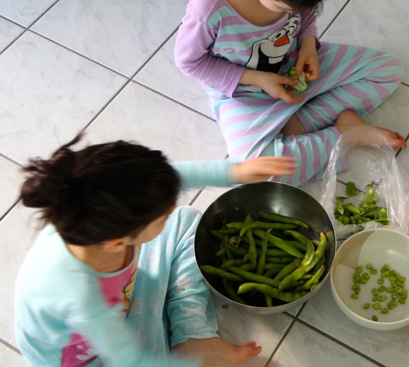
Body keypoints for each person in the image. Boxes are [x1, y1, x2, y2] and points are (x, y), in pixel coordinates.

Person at [14, 133, 296, 366]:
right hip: (92, 355)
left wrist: (235, 172)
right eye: (160, 217)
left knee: (187, 222)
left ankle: (192, 337)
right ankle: (194, 351)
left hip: (117, 303)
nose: (169, 208)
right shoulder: (80, 295)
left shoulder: (92, 218)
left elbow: (168, 179)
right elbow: (133, 359)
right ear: (117, 242)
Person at [174, 0, 406, 186]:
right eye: (286, 7)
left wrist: (308, 45)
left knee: (387, 70)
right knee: (258, 173)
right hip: (243, 90)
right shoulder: (208, 11)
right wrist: (260, 80)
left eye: (302, 7)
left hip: (292, 62)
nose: (295, 13)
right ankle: (344, 135)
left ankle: (297, 125)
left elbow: (305, 14)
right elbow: (190, 62)